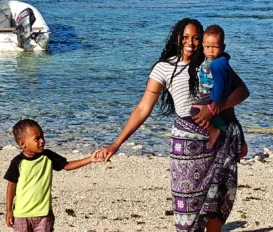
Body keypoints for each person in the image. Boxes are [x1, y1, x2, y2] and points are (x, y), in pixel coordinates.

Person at [97, 18, 250, 232]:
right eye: (185, 37)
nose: (191, 42)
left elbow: (242, 91)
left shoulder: (212, 62)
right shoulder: (164, 68)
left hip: (219, 140)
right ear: (176, 39)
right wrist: (116, 144)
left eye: (197, 38)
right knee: (186, 208)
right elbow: (142, 109)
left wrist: (215, 110)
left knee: (216, 202)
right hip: (186, 146)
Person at [4, 119, 101, 231]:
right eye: (37, 139)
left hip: (44, 215)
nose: (42, 141)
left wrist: (90, 159)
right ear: (23, 144)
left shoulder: (48, 156)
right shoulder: (17, 162)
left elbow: (67, 165)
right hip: (21, 215)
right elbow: (11, 186)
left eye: (42, 137)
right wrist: (9, 210)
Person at [190, 24, 248, 158]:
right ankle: (221, 130)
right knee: (213, 116)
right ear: (203, 46)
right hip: (211, 93)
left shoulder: (217, 63)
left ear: (223, 47)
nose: (211, 51)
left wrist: (215, 101)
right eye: (207, 47)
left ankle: (214, 131)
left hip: (213, 94)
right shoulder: (210, 60)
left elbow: (220, 83)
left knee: (194, 111)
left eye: (215, 47)